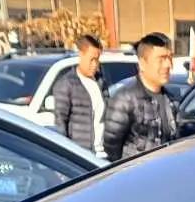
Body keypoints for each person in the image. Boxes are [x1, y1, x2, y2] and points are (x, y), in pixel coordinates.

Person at [102, 31, 177, 163]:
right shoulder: (124, 100)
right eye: (161, 59)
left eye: (170, 58)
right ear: (142, 64)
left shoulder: (171, 100)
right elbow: (111, 150)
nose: (168, 65)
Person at [51, 32, 107, 154]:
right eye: (91, 59)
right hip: (82, 154)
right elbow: (60, 125)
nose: (95, 64)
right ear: (81, 55)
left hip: (103, 154)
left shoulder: (100, 82)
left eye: (97, 60)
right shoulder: (66, 84)